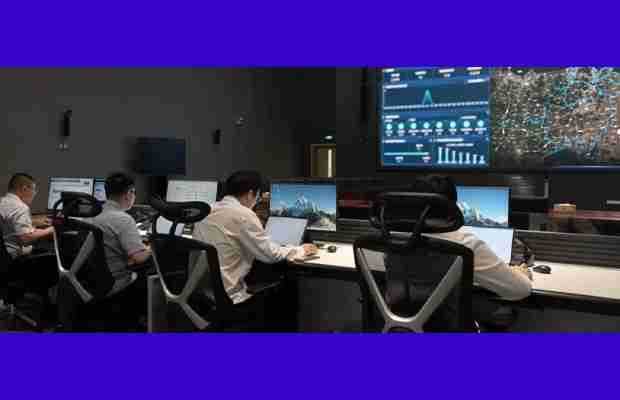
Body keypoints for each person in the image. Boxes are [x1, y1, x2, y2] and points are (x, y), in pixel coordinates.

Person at [192, 170, 317, 329]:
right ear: (251, 193)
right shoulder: (244, 214)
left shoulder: (206, 210)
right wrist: (300, 250)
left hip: (203, 292)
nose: (257, 202)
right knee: (287, 284)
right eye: (258, 197)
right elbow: (271, 255)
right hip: (231, 297)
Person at [415, 175, 532, 301]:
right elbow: (520, 290)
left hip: (405, 309)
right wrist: (520, 273)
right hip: (444, 311)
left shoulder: (399, 239)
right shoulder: (465, 245)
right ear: (452, 206)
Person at [91, 172, 152, 318]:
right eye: (134, 192)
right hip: (115, 281)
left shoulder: (93, 214)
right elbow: (139, 258)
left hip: (91, 278)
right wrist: (153, 248)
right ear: (129, 193)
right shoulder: (123, 219)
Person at [0, 173, 58, 318]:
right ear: (25, 188)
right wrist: (52, 229)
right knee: (55, 258)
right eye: (34, 190)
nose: (34, 194)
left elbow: (11, 224)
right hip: (13, 262)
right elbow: (26, 238)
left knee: (42, 249)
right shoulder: (20, 207)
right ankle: (49, 312)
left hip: (3, 258)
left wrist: (33, 222)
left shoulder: (3, 202)